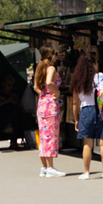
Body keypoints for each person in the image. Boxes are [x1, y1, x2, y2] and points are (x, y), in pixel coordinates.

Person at [70, 52, 103, 180]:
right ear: (94, 64)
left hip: (85, 111)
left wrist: (77, 119)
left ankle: (86, 172)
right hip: (102, 110)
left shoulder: (78, 80)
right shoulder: (101, 77)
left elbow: (74, 103)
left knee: (87, 143)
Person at [34, 46, 66, 177]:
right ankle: (51, 167)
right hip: (50, 106)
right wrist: (55, 92)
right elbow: (49, 82)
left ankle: (44, 167)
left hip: (41, 104)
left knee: (43, 136)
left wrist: (44, 93)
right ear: (51, 56)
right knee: (51, 136)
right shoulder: (51, 68)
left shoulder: (39, 68)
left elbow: (36, 86)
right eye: (55, 54)